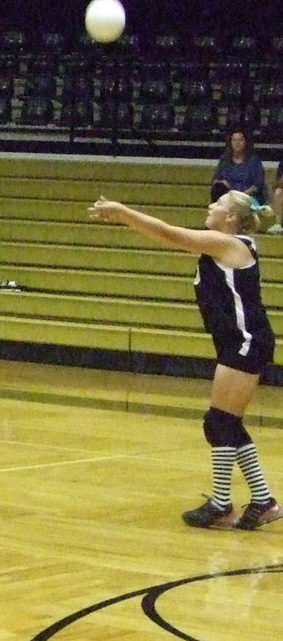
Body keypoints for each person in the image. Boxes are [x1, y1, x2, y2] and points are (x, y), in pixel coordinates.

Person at [89, 191, 281, 530]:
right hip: (238, 342)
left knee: (219, 422)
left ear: (232, 218)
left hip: (247, 342)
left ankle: (224, 505)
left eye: (218, 204)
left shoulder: (230, 244)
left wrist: (123, 211)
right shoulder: (225, 246)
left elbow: (167, 233)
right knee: (224, 423)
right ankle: (262, 500)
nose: (211, 207)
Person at [210, 128, 264, 205]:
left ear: (245, 142)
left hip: (248, 197)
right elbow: (215, 180)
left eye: (240, 140)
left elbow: (258, 185)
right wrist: (222, 183)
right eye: (234, 140)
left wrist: (240, 196)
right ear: (230, 143)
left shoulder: (254, 161)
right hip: (228, 197)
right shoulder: (224, 160)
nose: (237, 143)